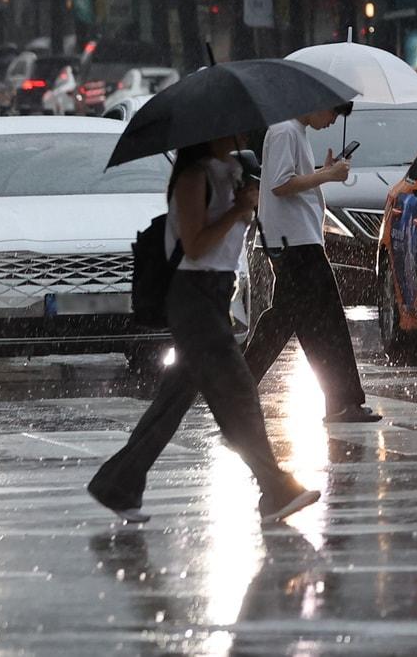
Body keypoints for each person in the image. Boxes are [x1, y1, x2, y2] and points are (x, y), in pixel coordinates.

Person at [89, 138, 319, 524]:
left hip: (215, 293)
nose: (238, 134)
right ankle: (275, 489)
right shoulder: (193, 177)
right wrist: (237, 210)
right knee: (238, 392)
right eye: (228, 128)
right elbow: (195, 246)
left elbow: (232, 237)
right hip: (192, 295)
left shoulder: (231, 169)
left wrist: (247, 203)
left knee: (175, 400)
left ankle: (118, 482)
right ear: (208, 133)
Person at [244, 103, 381, 423]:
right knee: (325, 321)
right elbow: (280, 184)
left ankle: (239, 385)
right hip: (295, 243)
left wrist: (323, 171)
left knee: (293, 321)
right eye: (332, 114)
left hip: (296, 240)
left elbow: (291, 179)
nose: (332, 122)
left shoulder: (293, 131)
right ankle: (343, 401)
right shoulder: (284, 131)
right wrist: (327, 174)